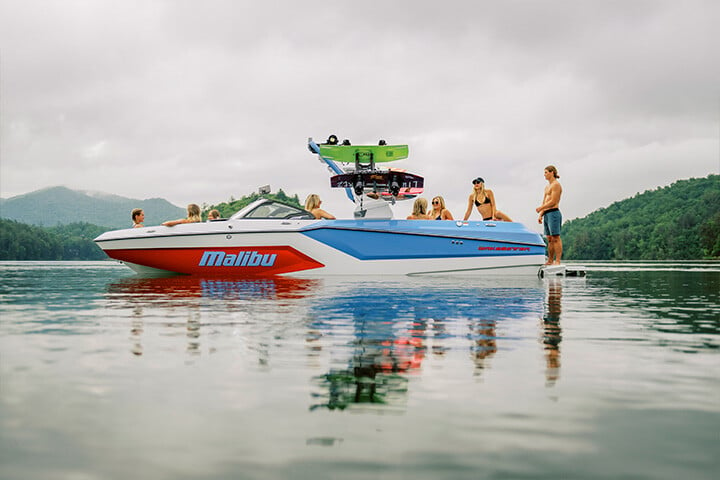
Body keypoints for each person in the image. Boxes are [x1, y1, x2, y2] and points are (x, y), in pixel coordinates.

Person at [536, 165, 563, 265]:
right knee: (549, 239)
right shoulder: (547, 187)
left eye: (546, 172)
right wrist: (541, 214)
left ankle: (558, 261)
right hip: (546, 214)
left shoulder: (556, 185)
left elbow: (553, 201)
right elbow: (544, 201)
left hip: (554, 213)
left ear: (552, 172)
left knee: (556, 237)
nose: (544, 175)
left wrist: (540, 208)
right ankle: (550, 260)